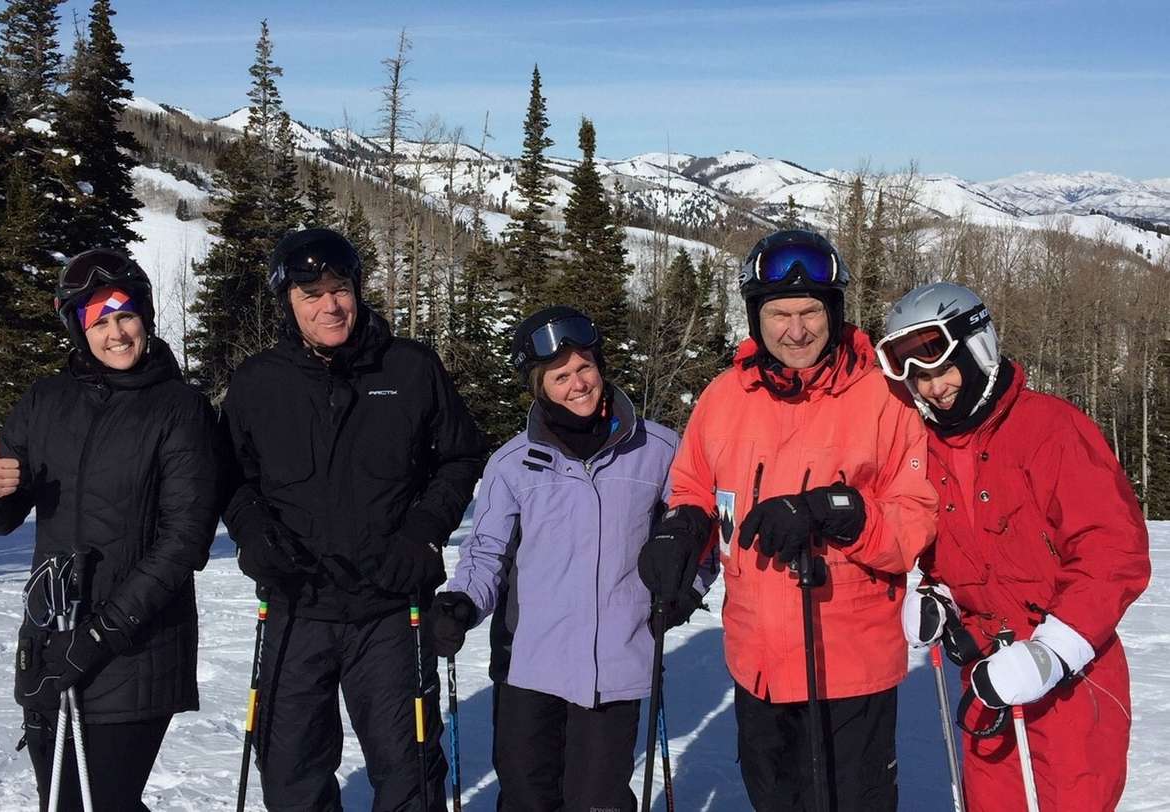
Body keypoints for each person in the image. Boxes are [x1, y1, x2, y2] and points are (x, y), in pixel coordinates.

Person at [638, 229, 938, 810]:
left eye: (810, 312)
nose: (795, 331)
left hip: (847, 666)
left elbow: (913, 522)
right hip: (758, 663)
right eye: (779, 313)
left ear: (835, 312)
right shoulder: (724, 397)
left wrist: (836, 512)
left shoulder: (886, 398)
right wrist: (683, 527)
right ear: (756, 316)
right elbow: (694, 484)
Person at [221, 227, 484, 811]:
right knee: (290, 773)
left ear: (358, 290)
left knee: (409, 771)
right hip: (296, 604)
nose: (330, 306)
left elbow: (461, 456)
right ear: (288, 301)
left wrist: (422, 533)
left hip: (389, 607)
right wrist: (254, 533)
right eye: (311, 294)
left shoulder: (409, 368)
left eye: (340, 289)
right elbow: (231, 477)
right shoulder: (259, 382)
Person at [0, 248, 220, 810]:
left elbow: (184, 540)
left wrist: (101, 635)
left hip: (135, 648)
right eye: (100, 322)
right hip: (50, 640)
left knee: (101, 802)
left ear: (145, 316)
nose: (116, 334)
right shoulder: (46, 401)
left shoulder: (180, 408)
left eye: (125, 316)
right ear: (79, 329)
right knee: (61, 802)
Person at [427, 305, 715, 811]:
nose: (578, 384)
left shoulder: (659, 449)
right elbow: (487, 551)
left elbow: (701, 533)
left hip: (617, 663)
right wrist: (462, 603)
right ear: (539, 387)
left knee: (598, 801)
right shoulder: (512, 463)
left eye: (585, 368)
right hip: (527, 666)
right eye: (560, 376)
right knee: (527, 799)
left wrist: (685, 592)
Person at [881, 281, 1151, 811]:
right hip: (987, 677)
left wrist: (1053, 651)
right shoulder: (927, 448)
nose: (934, 389)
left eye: (943, 368)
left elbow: (1112, 550)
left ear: (977, 348)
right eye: (919, 379)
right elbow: (952, 553)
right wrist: (940, 596)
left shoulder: (1050, 428)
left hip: (1072, 680)